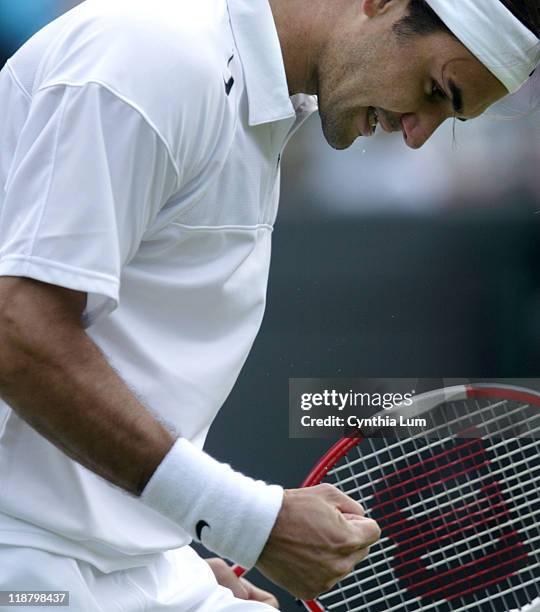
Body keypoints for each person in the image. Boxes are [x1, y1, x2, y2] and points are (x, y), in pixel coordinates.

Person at [0, 0, 537, 610]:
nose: (418, 134)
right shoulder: (151, 59)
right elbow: (18, 336)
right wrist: (244, 520)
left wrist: (169, 548)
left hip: (129, 564)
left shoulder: (260, 95)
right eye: (436, 90)